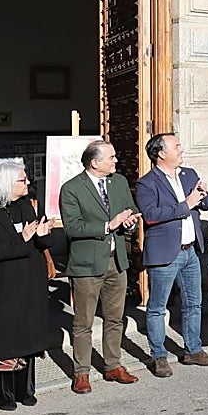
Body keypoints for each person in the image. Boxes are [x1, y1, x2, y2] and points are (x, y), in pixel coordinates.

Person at [58, 139, 142, 393]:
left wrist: (130, 222)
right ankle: (81, 372)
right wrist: (108, 225)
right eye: (111, 157)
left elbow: (131, 210)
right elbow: (72, 227)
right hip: (87, 264)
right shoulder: (72, 189)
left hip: (117, 261)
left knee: (115, 317)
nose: (116, 160)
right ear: (94, 163)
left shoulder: (118, 182)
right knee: (83, 322)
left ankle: (113, 365)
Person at [135, 133, 208, 377]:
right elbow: (151, 215)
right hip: (165, 254)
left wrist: (203, 195)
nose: (181, 149)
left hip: (190, 251)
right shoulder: (146, 183)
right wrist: (186, 205)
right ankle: (159, 356)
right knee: (157, 308)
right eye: (177, 146)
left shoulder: (188, 174)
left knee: (194, 303)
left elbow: (207, 205)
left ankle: (193, 350)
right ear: (161, 153)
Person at [0, 161, 54, 410]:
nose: (27, 183)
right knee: (4, 339)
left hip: (30, 284)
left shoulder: (26, 206)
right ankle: (2, 395)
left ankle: (25, 389)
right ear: (6, 183)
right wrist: (23, 238)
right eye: (22, 180)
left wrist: (43, 235)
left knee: (28, 336)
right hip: (3, 288)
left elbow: (40, 243)